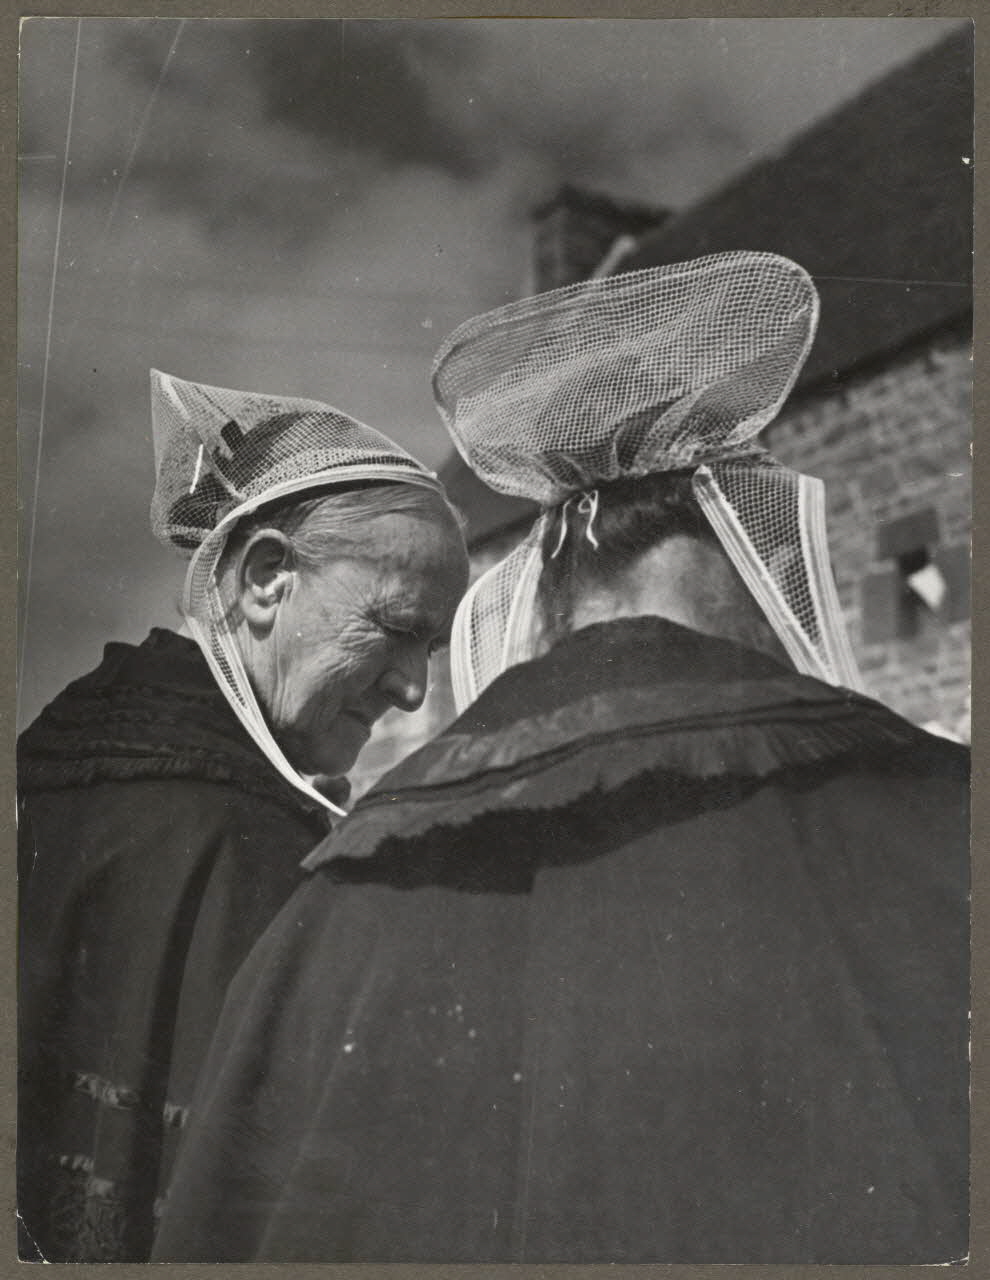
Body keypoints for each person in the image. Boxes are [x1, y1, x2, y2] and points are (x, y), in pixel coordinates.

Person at [152, 255, 969, 1264]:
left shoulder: (336, 899)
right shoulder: (946, 819)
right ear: (755, 535)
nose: (409, 692)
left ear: (548, 567)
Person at [17, 370, 469, 1262]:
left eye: (434, 647)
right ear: (266, 578)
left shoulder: (67, 765)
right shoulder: (245, 837)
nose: (414, 691)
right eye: (395, 628)